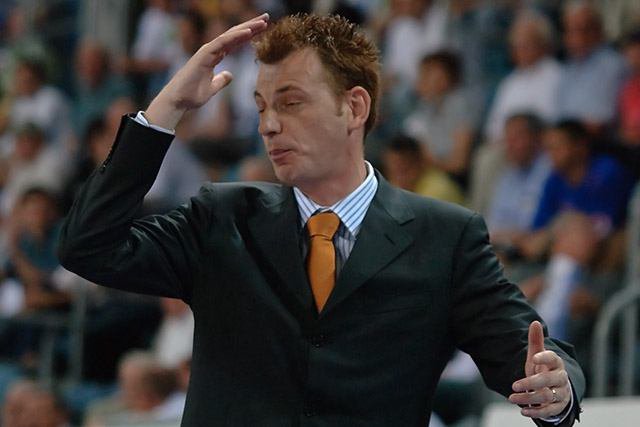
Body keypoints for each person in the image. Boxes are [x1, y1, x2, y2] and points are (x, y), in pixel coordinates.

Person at [58, 13, 584, 425]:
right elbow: (88, 245)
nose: (268, 125)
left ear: (354, 108)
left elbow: (532, 357)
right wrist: (166, 110)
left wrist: (557, 390)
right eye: (261, 106)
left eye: (290, 103)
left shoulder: (445, 237)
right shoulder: (221, 216)